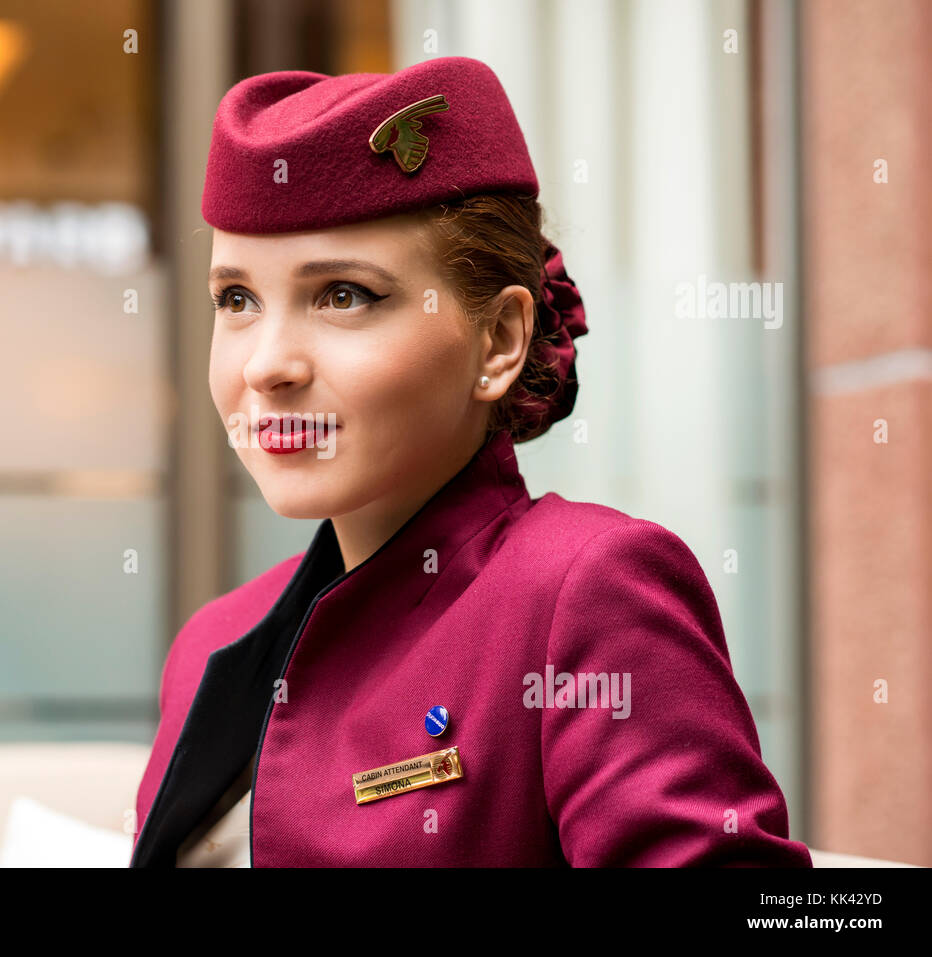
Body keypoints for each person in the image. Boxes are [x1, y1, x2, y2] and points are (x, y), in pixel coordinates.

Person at [129, 56, 812, 867]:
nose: (266, 364)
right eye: (236, 299)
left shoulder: (584, 592)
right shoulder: (216, 641)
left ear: (498, 340)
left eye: (343, 294)